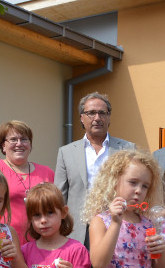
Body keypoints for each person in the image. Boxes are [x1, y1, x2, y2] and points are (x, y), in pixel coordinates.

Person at [54, 92, 137, 244]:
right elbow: (59, 196)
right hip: (77, 230)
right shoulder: (66, 152)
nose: (97, 118)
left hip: (117, 225)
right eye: (91, 113)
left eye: (102, 113)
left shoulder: (127, 149)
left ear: (109, 117)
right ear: (82, 118)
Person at [0, 121, 55, 244]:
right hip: (3, 241)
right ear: (3, 146)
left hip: (39, 243)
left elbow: (56, 208)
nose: (19, 144)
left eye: (24, 139)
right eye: (13, 140)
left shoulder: (46, 172)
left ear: (30, 145)